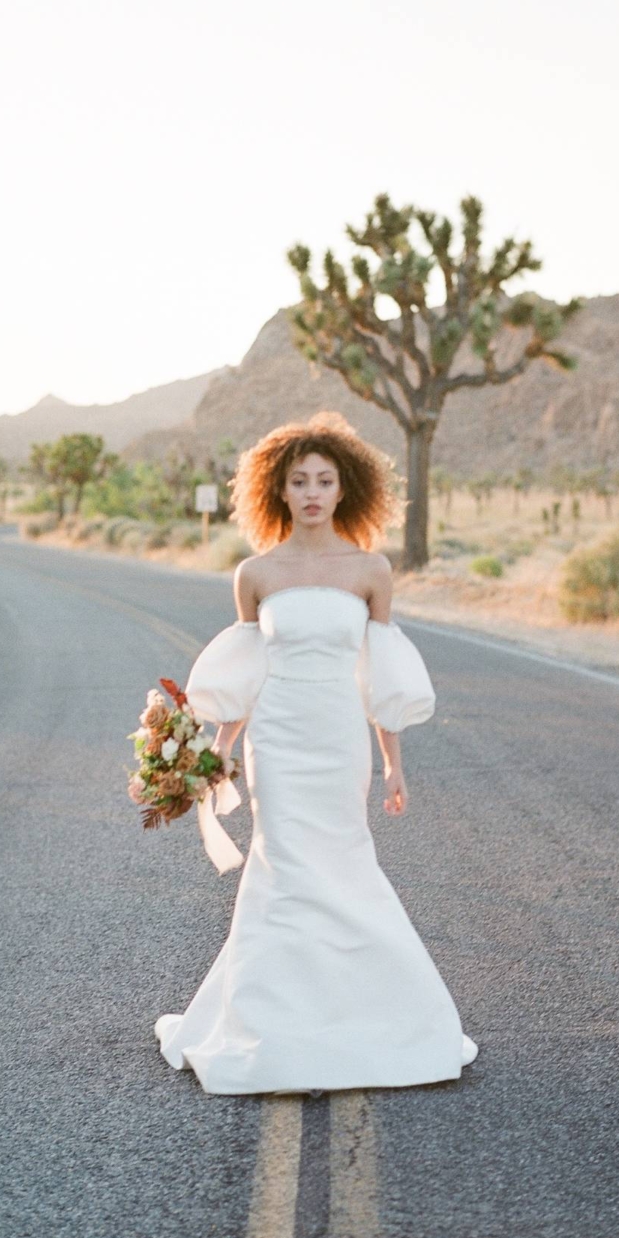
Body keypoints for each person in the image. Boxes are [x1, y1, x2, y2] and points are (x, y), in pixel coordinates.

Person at [154, 411, 478, 1095]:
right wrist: (216, 752)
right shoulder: (256, 573)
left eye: (324, 480)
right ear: (277, 489)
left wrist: (393, 760)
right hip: (277, 738)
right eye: (298, 480)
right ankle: (272, 1022)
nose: (310, 492)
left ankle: (376, 1014)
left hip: (338, 740)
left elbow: (380, 675)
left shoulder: (369, 570)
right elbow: (244, 673)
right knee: (283, 864)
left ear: (344, 489)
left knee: (344, 861)